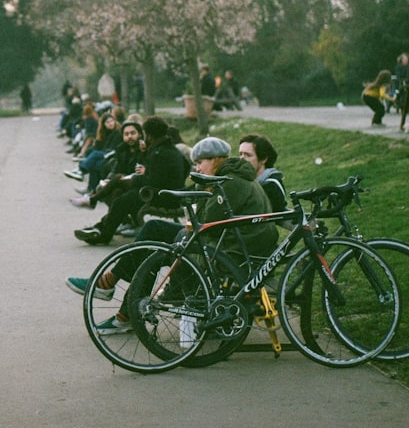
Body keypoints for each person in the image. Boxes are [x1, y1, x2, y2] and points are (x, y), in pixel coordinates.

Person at [66, 136, 277, 333]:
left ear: (216, 160)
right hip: (218, 243)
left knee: (151, 248)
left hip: (225, 252)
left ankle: (121, 306)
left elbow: (204, 222)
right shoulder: (222, 179)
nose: (197, 167)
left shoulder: (231, 183)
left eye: (200, 162)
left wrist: (201, 197)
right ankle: (114, 291)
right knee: (154, 229)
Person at [73, 116, 188, 245]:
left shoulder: (159, 153)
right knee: (119, 193)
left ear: (149, 135)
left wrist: (135, 179)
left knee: (121, 200)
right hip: (165, 193)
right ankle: (100, 228)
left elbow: (151, 181)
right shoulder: (169, 149)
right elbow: (185, 168)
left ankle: (103, 232)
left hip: (162, 196)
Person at [67, 112, 122, 195]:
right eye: (108, 122)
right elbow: (97, 147)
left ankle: (81, 171)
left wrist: (100, 151)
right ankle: (91, 189)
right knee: (94, 165)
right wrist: (98, 140)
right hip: (105, 157)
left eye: (112, 121)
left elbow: (112, 150)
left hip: (113, 156)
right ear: (103, 124)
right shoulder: (104, 133)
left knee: (96, 154)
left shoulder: (117, 133)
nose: (110, 123)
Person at [237, 134, 287, 215]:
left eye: (248, 155)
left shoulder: (272, 186)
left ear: (263, 159)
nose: (242, 159)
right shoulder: (244, 181)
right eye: (240, 154)